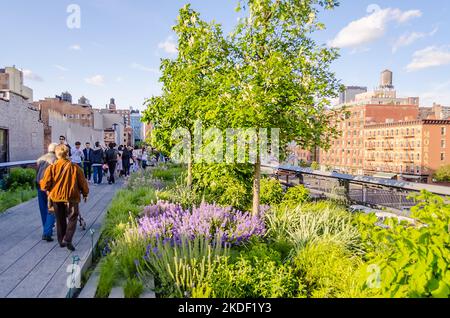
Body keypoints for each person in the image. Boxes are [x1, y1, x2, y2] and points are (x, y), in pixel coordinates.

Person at [40, 144, 89, 252]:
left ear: (57, 154)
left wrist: (45, 186)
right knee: (73, 217)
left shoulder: (51, 168)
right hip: (72, 197)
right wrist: (85, 194)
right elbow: (83, 183)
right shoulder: (75, 168)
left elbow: (44, 185)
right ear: (68, 154)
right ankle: (68, 238)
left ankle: (61, 240)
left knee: (60, 219)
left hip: (57, 197)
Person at [36, 143, 58, 242]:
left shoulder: (40, 159)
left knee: (43, 208)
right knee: (52, 208)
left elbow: (37, 173)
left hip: (40, 185)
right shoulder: (56, 160)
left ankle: (46, 227)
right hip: (50, 187)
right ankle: (47, 232)